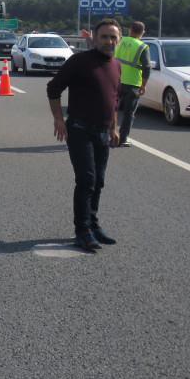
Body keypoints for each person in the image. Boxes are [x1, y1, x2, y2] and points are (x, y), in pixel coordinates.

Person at [46, 18, 122, 253]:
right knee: (87, 180)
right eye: (104, 37)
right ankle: (82, 231)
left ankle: (93, 225)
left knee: (98, 181)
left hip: (102, 132)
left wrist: (114, 127)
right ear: (94, 39)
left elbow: (114, 99)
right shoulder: (80, 61)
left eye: (113, 37)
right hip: (79, 130)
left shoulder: (116, 65)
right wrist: (59, 119)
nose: (109, 41)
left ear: (118, 40)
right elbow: (53, 88)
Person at [115, 21, 150, 147]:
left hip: (116, 80)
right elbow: (147, 67)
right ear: (143, 32)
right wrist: (143, 85)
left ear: (130, 30)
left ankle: (107, 135)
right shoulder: (142, 46)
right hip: (133, 84)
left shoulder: (120, 41)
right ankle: (122, 138)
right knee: (128, 113)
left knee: (111, 109)